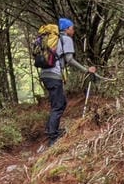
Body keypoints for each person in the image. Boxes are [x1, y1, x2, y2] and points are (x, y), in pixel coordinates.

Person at [40, 18, 96, 146]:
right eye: (72, 28)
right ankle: (53, 138)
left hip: (45, 74)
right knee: (58, 105)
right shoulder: (66, 39)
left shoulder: (55, 39)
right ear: (66, 29)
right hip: (54, 75)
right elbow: (69, 59)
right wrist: (86, 70)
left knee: (60, 102)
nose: (73, 30)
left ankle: (51, 130)